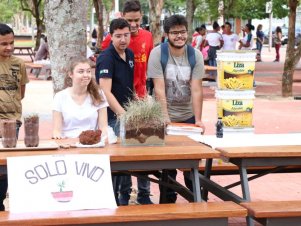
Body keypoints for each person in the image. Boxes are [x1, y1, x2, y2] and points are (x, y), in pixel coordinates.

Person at [147, 15, 205, 203]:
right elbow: (159, 88)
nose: (179, 36)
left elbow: (196, 89)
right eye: (174, 33)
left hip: (187, 116)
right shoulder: (158, 53)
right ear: (167, 34)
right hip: (165, 116)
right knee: (167, 168)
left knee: (191, 166)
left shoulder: (195, 55)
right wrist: (165, 118)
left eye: (182, 32)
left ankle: (197, 203)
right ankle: (167, 204)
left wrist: (198, 120)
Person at [101, 0, 154, 205]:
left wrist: (147, 95)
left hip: (140, 100)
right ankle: (122, 196)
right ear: (122, 16)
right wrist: (121, 110)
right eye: (129, 21)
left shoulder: (147, 37)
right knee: (123, 153)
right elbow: (107, 80)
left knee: (143, 149)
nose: (132, 26)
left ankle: (144, 195)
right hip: (119, 104)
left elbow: (147, 67)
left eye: (136, 20)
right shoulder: (110, 41)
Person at [96, 18, 135, 206]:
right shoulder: (106, 57)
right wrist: (122, 114)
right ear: (111, 36)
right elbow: (104, 91)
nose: (123, 40)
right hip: (111, 118)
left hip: (127, 114)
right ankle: (110, 201)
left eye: (126, 35)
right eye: (118, 36)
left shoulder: (130, 55)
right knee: (113, 164)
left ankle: (125, 199)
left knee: (127, 161)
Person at [0, 23, 29, 211]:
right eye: (3, 44)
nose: (9, 47)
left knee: (5, 168)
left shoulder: (19, 64)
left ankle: (0, 202)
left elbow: (22, 92)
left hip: (13, 121)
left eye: (11, 43)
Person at [52, 57, 108, 139]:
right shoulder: (60, 97)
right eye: (81, 72)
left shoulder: (99, 94)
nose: (86, 75)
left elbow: (104, 128)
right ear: (70, 74)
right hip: (68, 144)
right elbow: (56, 131)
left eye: (88, 71)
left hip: (92, 144)